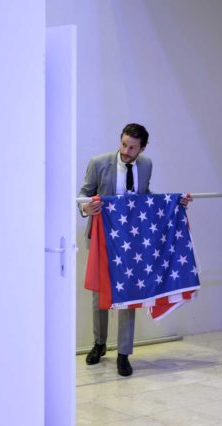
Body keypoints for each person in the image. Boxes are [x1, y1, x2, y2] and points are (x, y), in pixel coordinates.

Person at [77, 123, 152, 377]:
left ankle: (123, 353)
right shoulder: (99, 163)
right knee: (100, 294)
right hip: (101, 238)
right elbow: (83, 195)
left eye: (132, 147)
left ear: (142, 148)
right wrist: (86, 209)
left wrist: (175, 203)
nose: (126, 151)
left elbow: (146, 197)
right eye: (123, 144)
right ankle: (99, 344)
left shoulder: (146, 165)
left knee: (127, 295)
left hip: (131, 242)